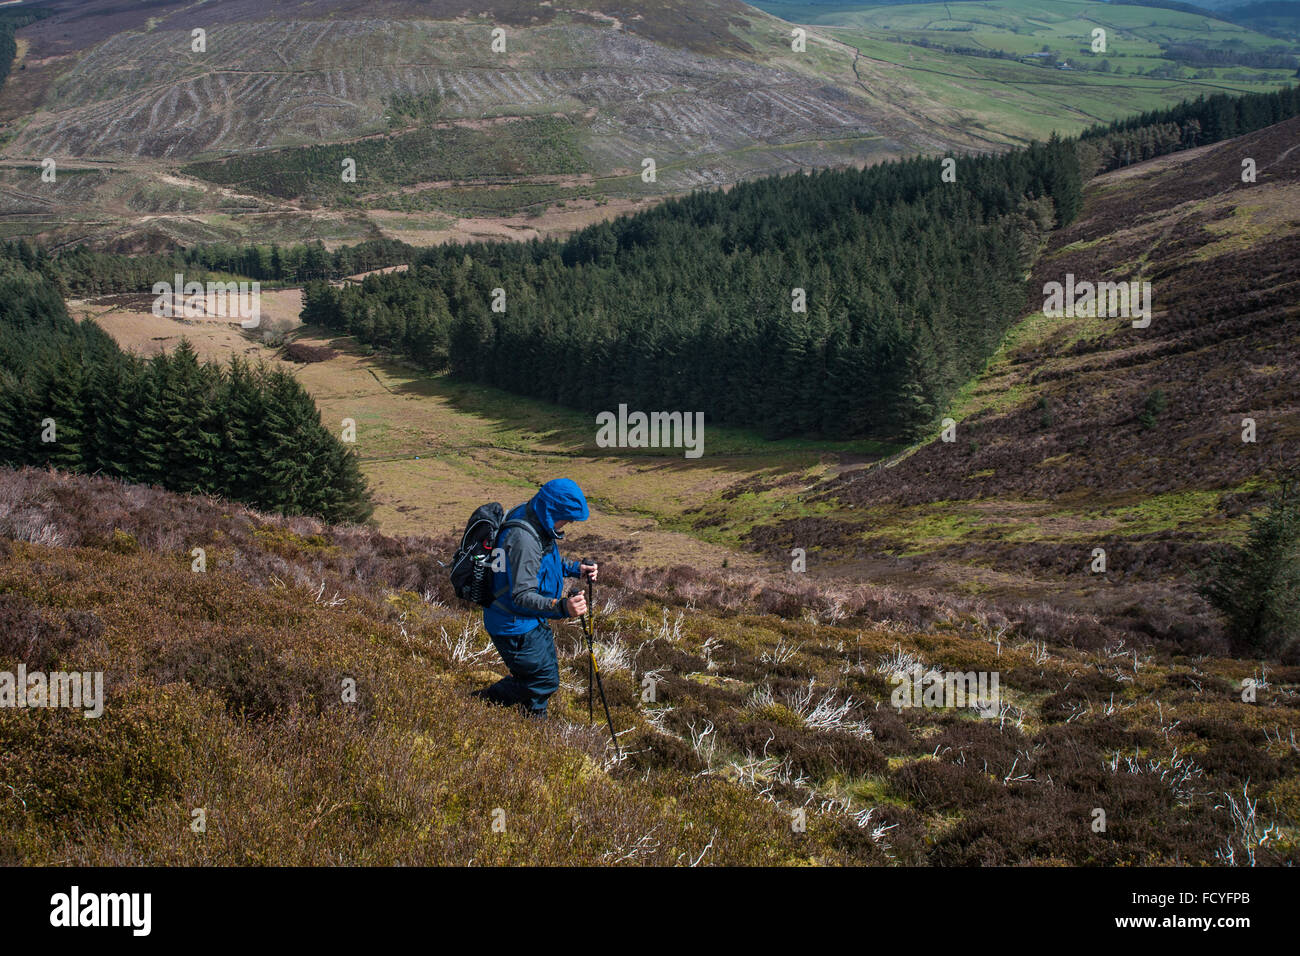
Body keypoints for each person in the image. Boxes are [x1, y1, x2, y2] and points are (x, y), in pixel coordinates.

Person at [472, 478, 597, 717]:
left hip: (526, 620)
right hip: (515, 625)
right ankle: (502, 711)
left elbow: (541, 564)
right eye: (567, 518)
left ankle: (521, 714)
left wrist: (575, 569)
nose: (568, 524)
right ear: (553, 511)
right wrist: (562, 607)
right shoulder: (524, 539)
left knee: (537, 674)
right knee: (543, 681)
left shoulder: (534, 517)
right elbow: (521, 596)